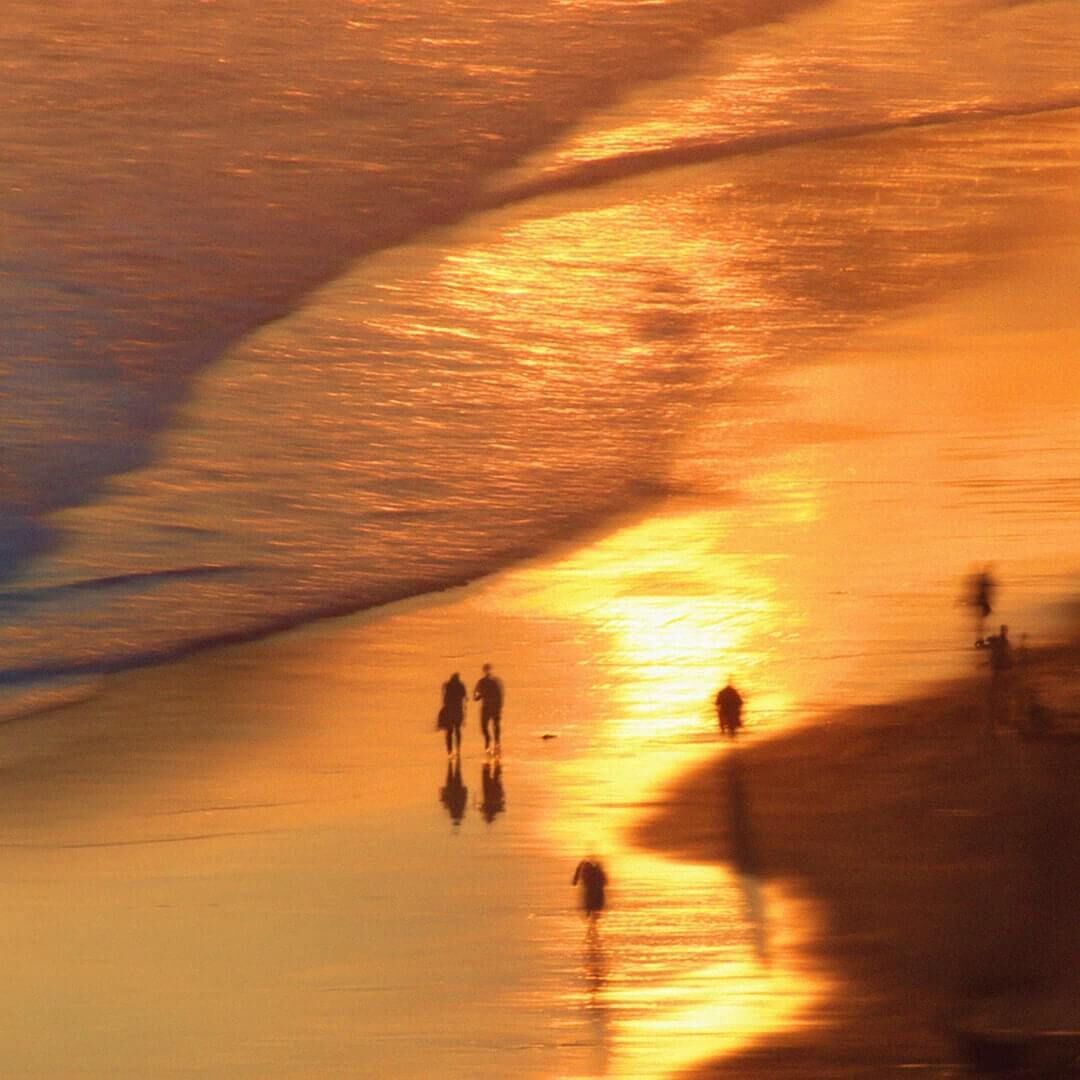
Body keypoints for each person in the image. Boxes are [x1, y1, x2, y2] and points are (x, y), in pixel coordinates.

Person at [985, 624, 1014, 732]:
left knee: (998, 691)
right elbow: (1006, 656)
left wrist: (991, 664)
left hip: (1000, 670)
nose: (1005, 632)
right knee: (1003, 692)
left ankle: (1000, 713)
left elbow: (996, 655)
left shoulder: (1001, 642)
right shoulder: (1005, 642)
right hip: (1003, 669)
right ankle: (1002, 713)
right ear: (1005, 631)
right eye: (1005, 630)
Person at [473, 663, 504, 752]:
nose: (487, 672)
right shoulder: (482, 682)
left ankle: (495, 742)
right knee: (486, 726)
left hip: (491, 707)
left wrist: (499, 706)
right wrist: (480, 696)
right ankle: (491, 740)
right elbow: (475, 696)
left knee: (494, 725)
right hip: (488, 707)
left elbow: (500, 695)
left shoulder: (493, 681)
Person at [968, 566, 997, 646]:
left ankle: (980, 637)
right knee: (981, 621)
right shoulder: (983, 584)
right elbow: (984, 595)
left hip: (982, 603)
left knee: (981, 621)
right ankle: (980, 638)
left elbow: (980, 595)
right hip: (982, 603)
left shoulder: (981, 584)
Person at [439, 672, 467, 755]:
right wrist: (464, 714)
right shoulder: (460, 686)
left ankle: (450, 751)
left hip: (450, 711)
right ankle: (457, 749)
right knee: (456, 730)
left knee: (450, 732)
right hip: (457, 711)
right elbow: (464, 699)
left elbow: (444, 699)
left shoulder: (447, 685)